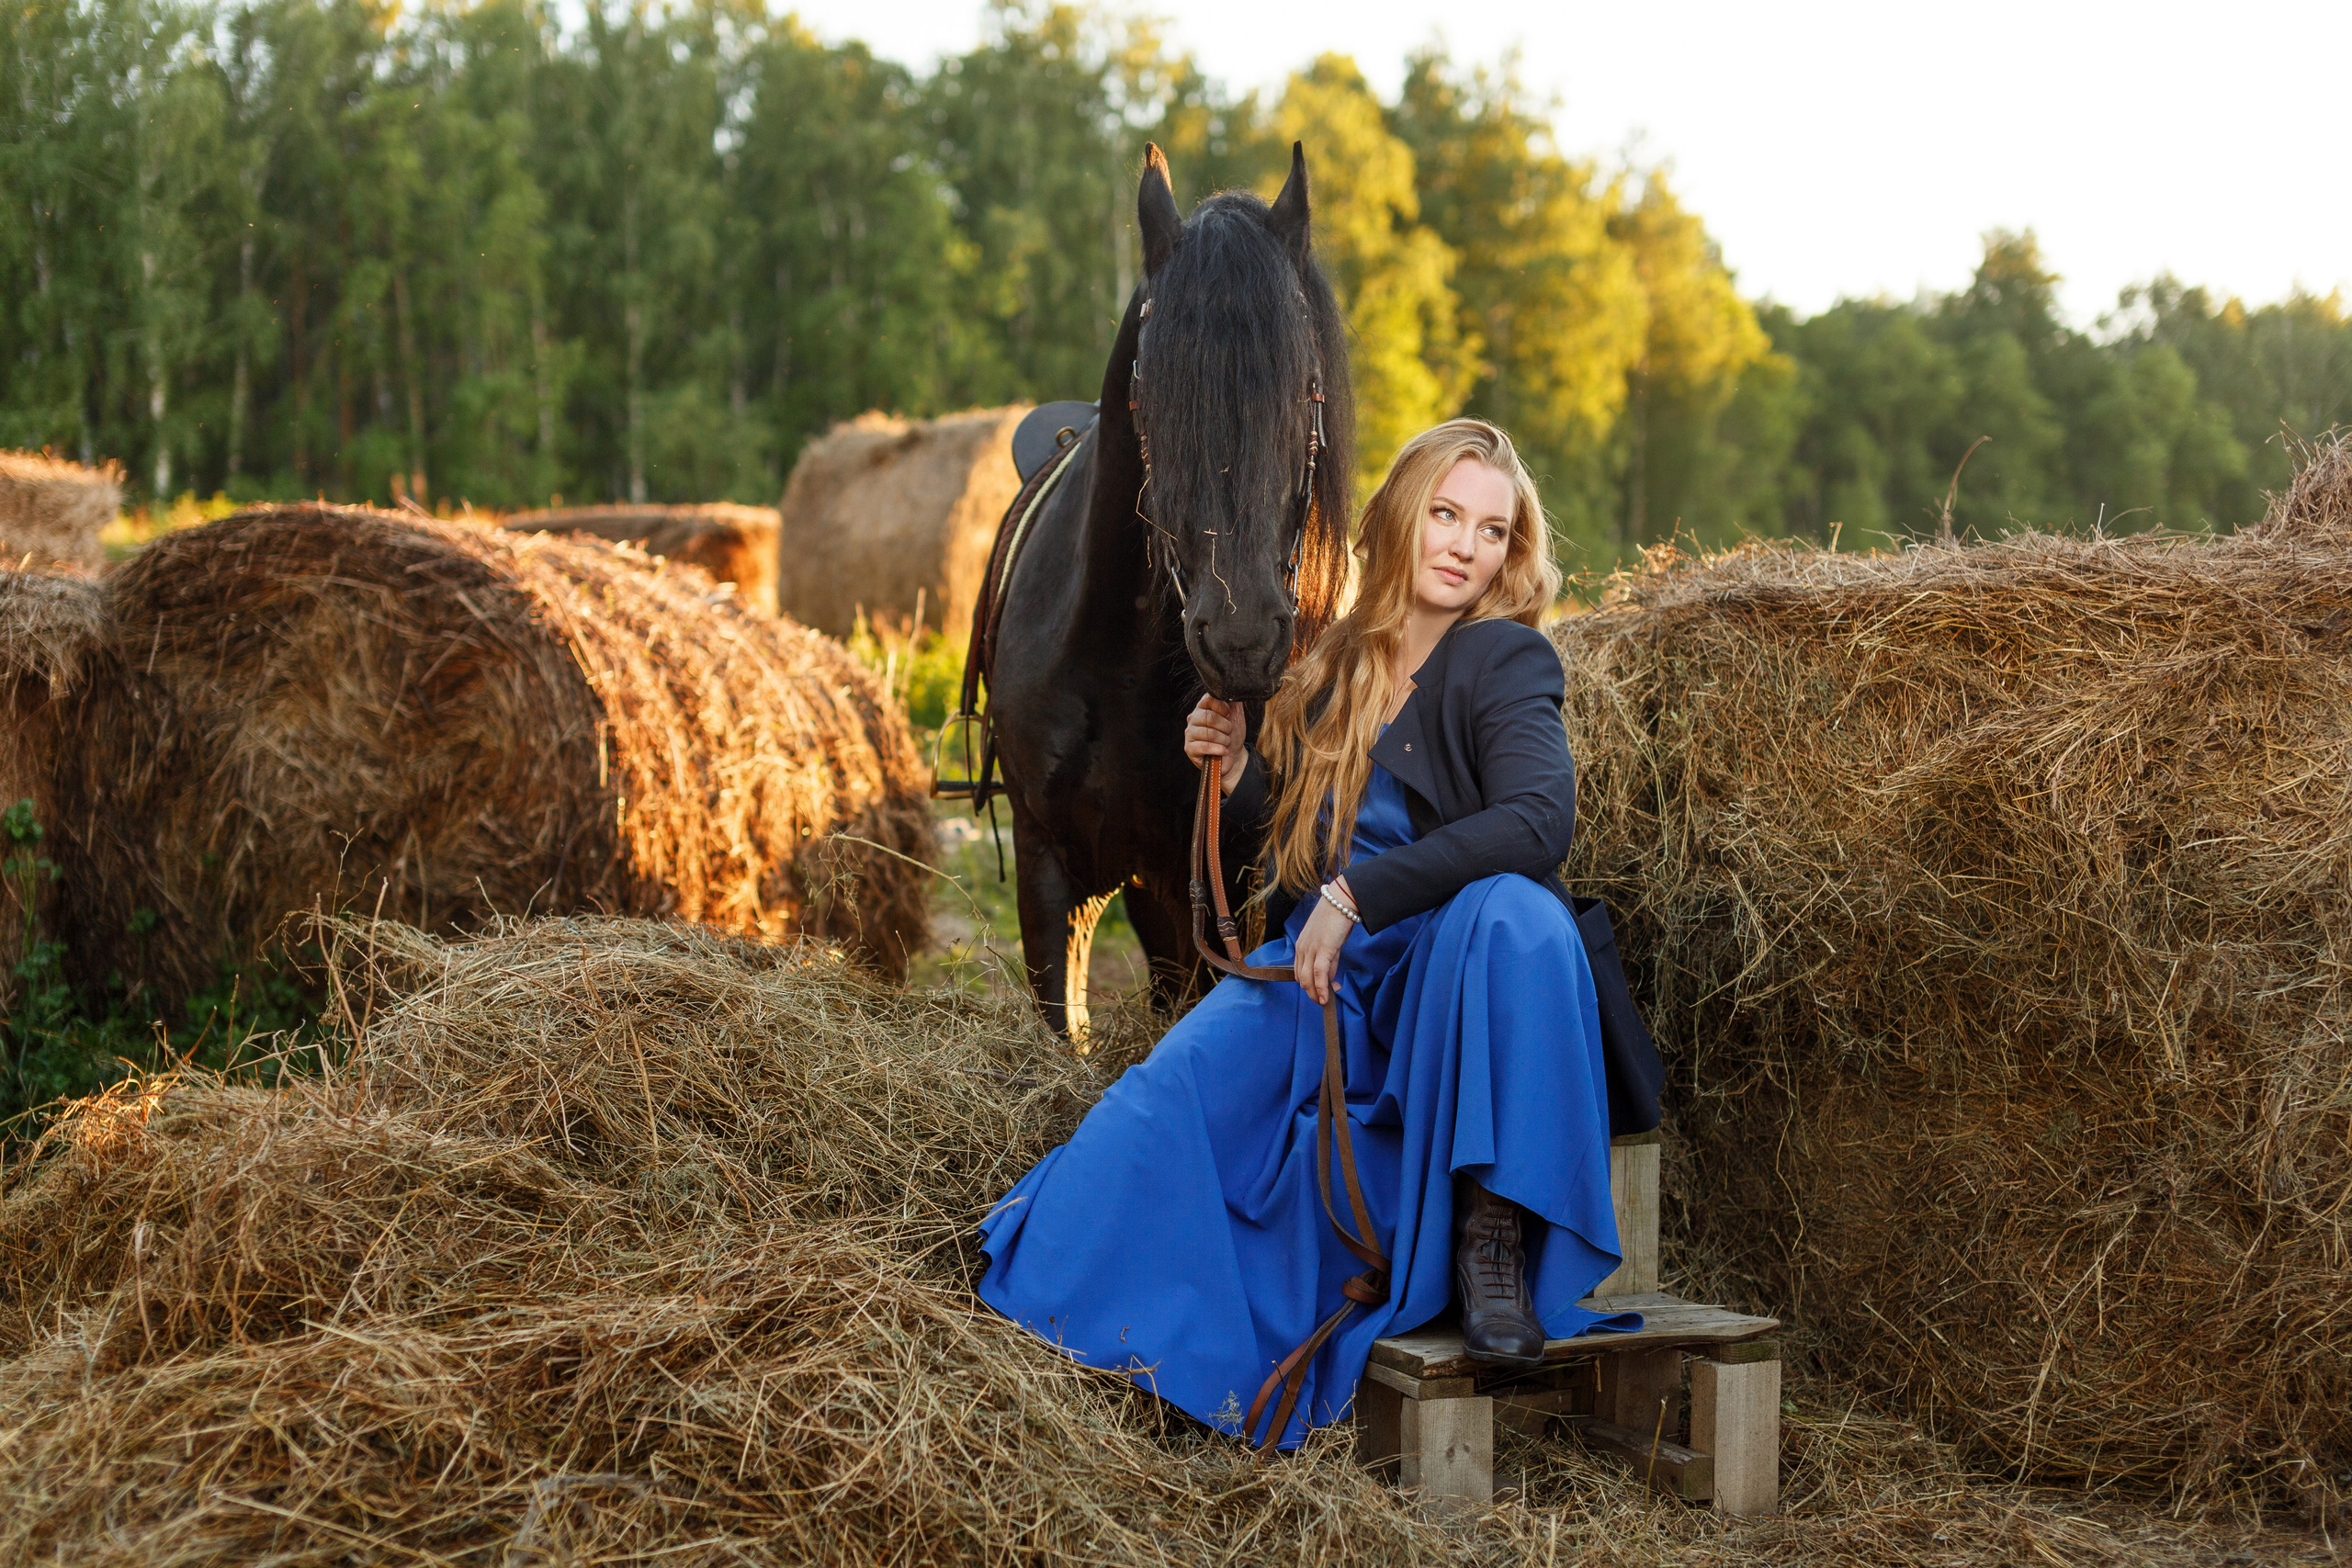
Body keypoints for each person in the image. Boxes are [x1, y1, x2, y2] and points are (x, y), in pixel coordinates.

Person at [977, 418, 1644, 1450]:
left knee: (1515, 911)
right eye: (1445, 514)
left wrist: (1358, 897)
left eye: (1492, 530)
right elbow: (1298, 858)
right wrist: (1242, 779)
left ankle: (1494, 1231)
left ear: (1512, 554)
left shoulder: (1504, 661)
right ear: (1401, 516)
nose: (1464, 544)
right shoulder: (1333, 664)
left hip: (1445, 986)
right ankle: (1082, 1329)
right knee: (1158, 1101)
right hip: (1327, 974)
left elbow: (1533, 822)